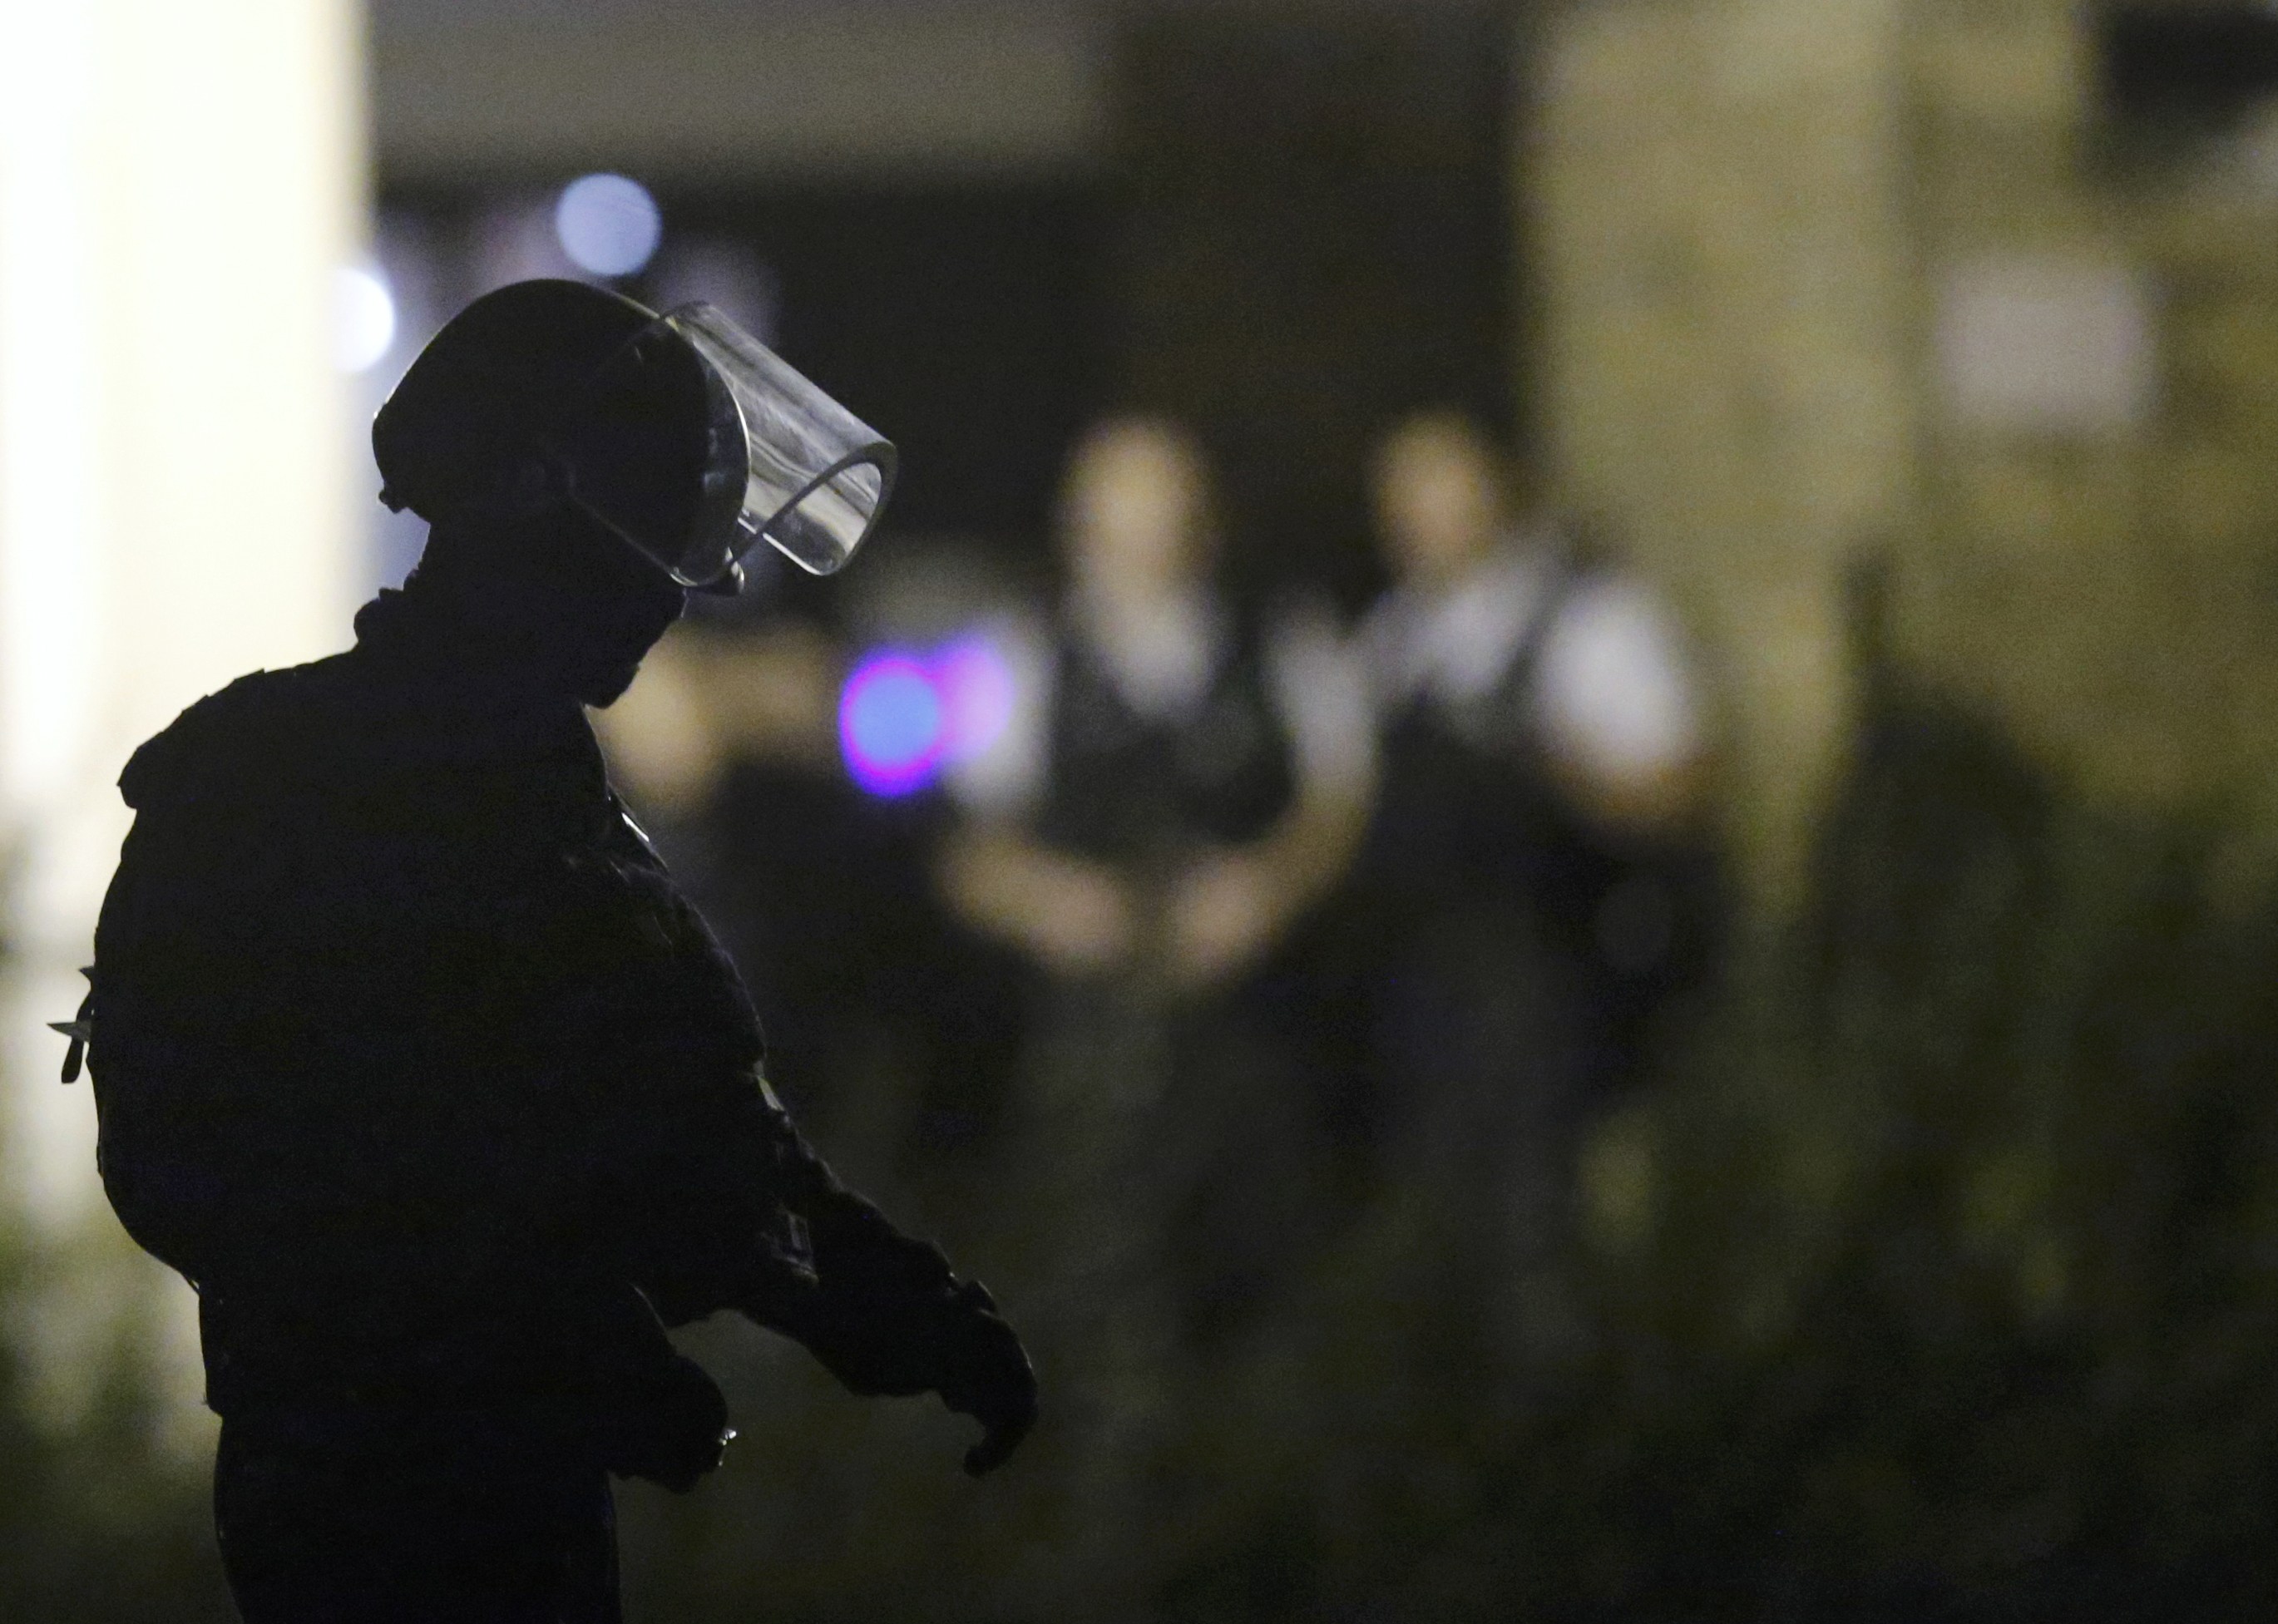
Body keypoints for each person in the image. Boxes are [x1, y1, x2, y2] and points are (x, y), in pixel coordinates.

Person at [71, 279, 1035, 1623]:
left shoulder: (498, 795)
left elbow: (703, 1145)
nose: (680, 589)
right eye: (651, 527)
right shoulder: (325, 784)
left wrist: (896, 1309)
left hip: (443, 1485)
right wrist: (535, 1331)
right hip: (384, 1496)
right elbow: (194, 1149)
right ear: (527, 503)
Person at [1342, 407, 1720, 1351]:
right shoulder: (1392, 642)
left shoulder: (1595, 623)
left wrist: (1557, 769)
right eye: (1406, 500)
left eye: (1448, 492)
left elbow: (1679, 790)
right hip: (1428, 980)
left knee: (1548, 1230)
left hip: (1557, 975)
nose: (1427, 521)